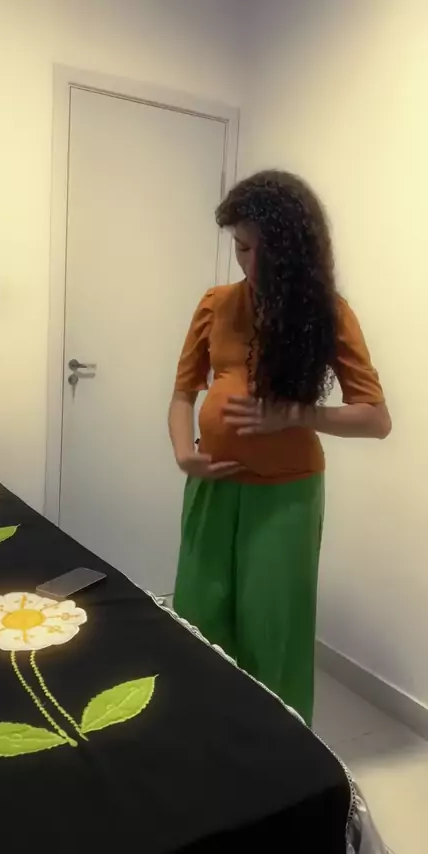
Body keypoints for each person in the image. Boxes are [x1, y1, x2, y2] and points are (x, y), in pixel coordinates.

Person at [168, 171, 391, 725]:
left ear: (289, 250)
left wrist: (292, 414)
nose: (246, 262)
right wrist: (183, 452)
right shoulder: (215, 304)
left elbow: (375, 419)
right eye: (238, 247)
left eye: (256, 249)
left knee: (273, 630)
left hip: (285, 495)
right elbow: (182, 393)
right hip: (212, 484)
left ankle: (278, 756)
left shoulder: (327, 314)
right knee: (198, 618)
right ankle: (204, 739)